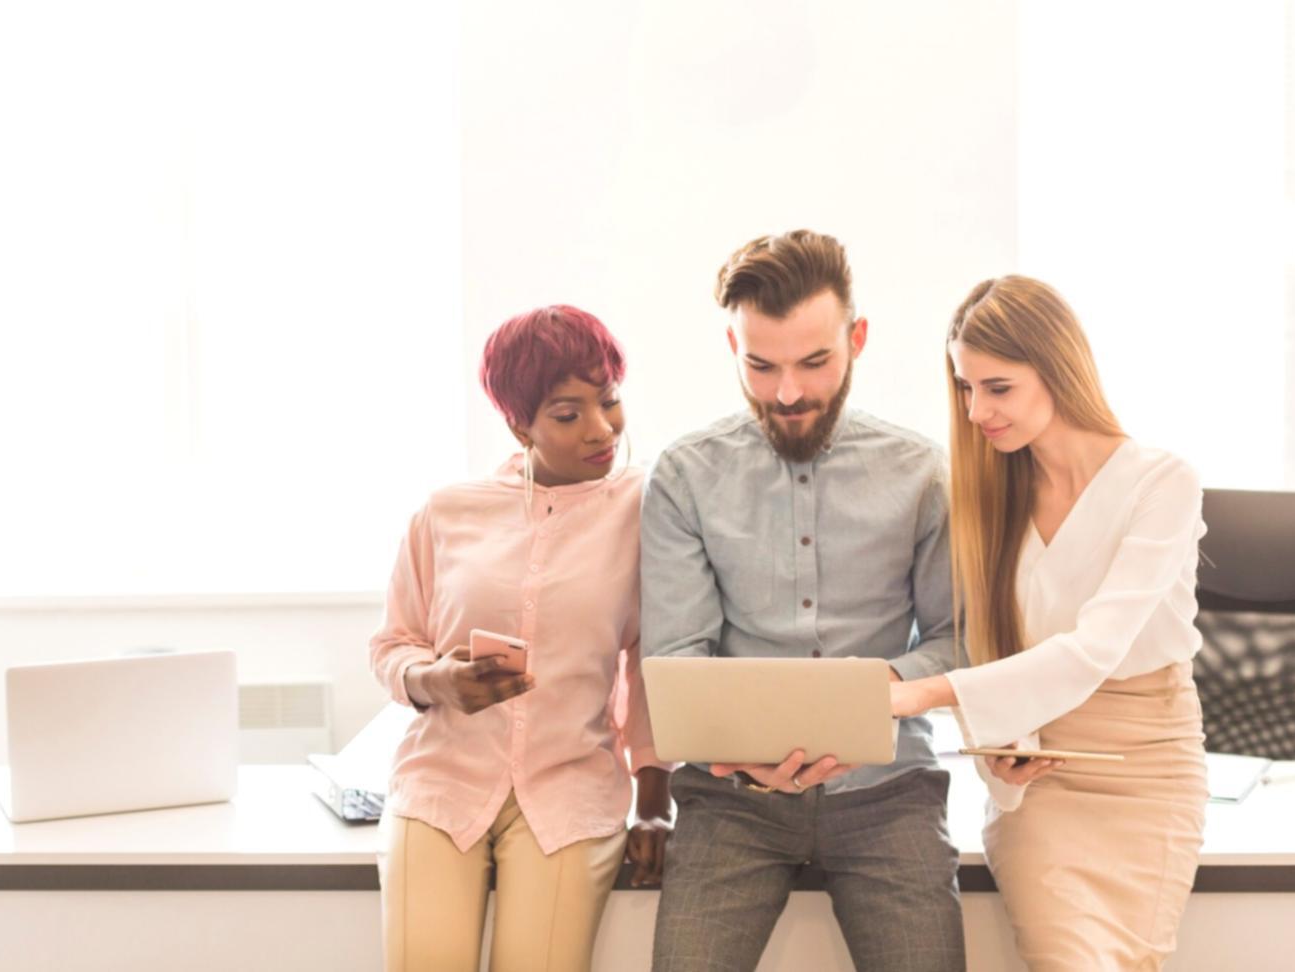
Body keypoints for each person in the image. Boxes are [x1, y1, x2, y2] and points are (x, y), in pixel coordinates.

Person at [642, 229, 966, 972]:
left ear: (856, 339)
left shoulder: (922, 474)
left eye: (814, 362)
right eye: (761, 365)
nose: (787, 393)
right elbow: (676, 662)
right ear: (733, 345)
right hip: (729, 804)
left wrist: (868, 696)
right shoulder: (685, 477)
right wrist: (743, 756)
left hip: (890, 797)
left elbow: (956, 641)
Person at [891, 275, 1208, 971]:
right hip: (1042, 781)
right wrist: (1000, 742)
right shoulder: (985, 496)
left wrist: (922, 694)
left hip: (1146, 767)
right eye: (965, 388)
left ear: (1058, 368)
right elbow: (991, 642)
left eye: (997, 387)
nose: (976, 412)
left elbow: (1095, 647)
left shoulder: (1162, 483)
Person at [370, 305, 672, 972]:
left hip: (570, 792)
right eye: (568, 414)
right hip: (442, 781)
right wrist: (433, 680)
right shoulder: (449, 512)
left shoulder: (647, 509)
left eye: (610, 401)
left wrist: (655, 806)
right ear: (518, 424)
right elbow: (392, 644)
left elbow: (649, 668)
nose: (602, 431)